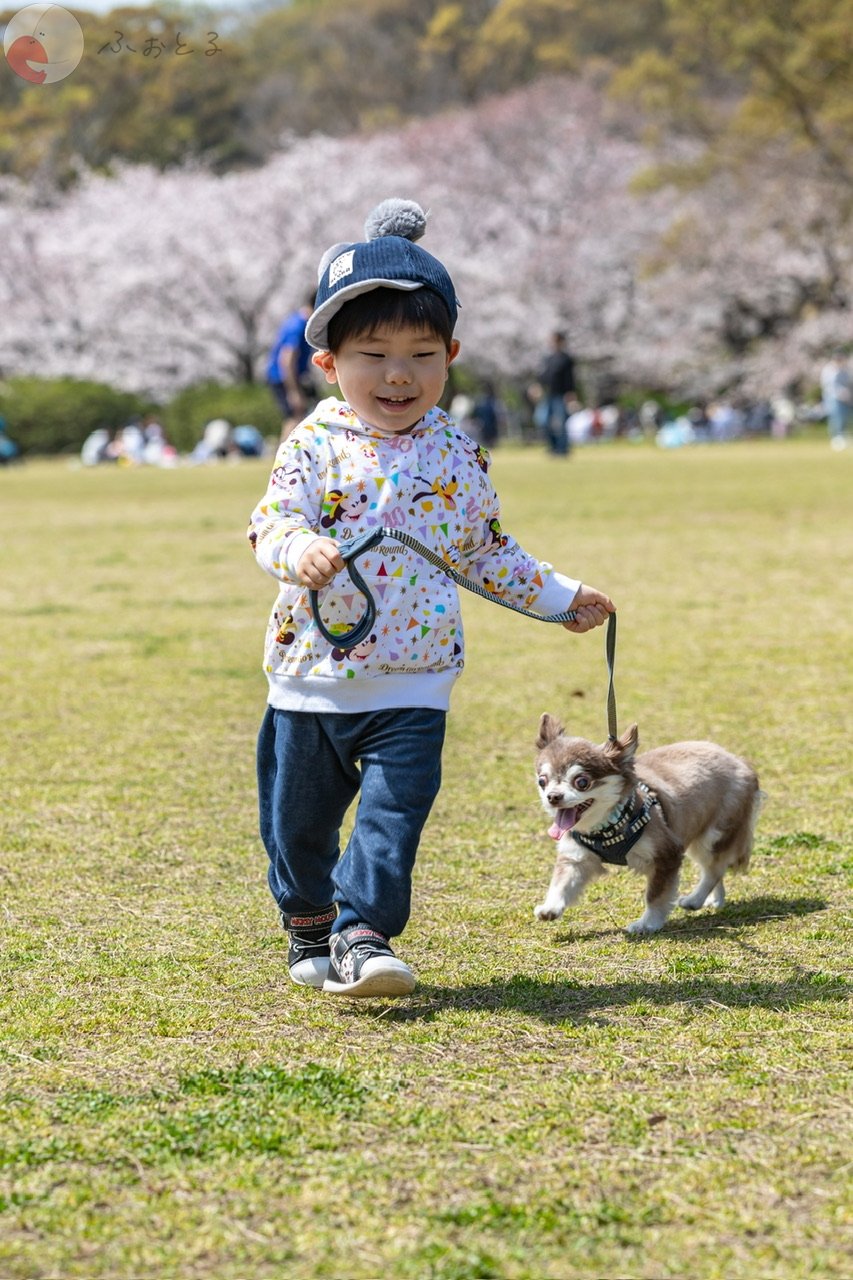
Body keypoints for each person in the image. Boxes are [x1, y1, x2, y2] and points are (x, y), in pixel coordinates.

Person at [248, 199, 614, 999]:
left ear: (449, 356)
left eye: (420, 353)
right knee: (297, 830)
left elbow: (483, 548)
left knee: (389, 823)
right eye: (372, 354)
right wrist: (297, 548)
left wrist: (558, 596)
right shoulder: (312, 443)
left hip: (415, 682)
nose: (397, 375)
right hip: (309, 679)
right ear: (327, 362)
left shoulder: (455, 449)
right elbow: (270, 520)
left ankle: (361, 935)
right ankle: (309, 921)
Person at [266, 291, 317, 440]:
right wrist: (293, 392)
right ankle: (285, 459)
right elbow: (287, 360)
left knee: (305, 412)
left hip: (294, 376)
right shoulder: (298, 325)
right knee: (295, 415)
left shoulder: (296, 320)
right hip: (283, 377)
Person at [532, 331, 577, 456]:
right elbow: (542, 376)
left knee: (561, 422)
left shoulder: (566, 359)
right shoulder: (548, 359)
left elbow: (570, 378)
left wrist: (570, 393)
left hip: (561, 395)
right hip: (548, 395)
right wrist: (537, 387)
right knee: (543, 420)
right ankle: (553, 446)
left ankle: (562, 448)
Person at [820, 349, 851, 450]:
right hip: (833, 398)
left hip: (846, 399)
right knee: (836, 418)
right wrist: (839, 393)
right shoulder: (829, 370)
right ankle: (836, 438)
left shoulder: (844, 369)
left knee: (844, 418)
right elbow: (828, 386)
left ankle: (843, 436)